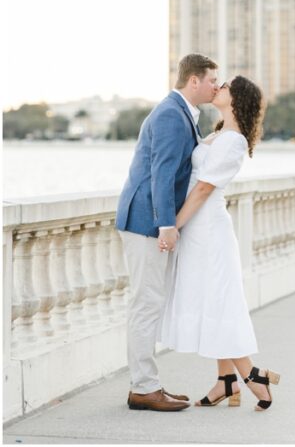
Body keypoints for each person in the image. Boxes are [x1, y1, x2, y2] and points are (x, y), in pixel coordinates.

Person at [160, 75, 281, 411]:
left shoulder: (233, 141)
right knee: (212, 301)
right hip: (200, 229)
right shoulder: (218, 135)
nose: (219, 87)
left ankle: (252, 375)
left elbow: (203, 189)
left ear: (237, 97)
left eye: (225, 84)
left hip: (209, 229)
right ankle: (225, 381)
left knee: (219, 301)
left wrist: (173, 226)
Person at [115, 53, 219, 412]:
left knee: (151, 302)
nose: (215, 86)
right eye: (211, 80)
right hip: (146, 222)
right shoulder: (172, 115)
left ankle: (149, 384)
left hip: (149, 220)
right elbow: (161, 174)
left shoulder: (180, 113)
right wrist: (167, 225)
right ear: (194, 81)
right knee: (146, 303)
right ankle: (143, 388)